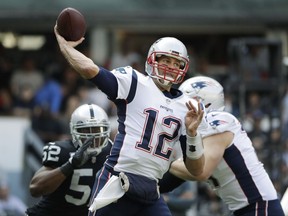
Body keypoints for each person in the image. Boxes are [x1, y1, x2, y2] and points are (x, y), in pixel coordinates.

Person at [54, 25, 208, 216]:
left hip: (151, 190)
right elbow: (90, 70)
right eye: (166, 60)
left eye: (177, 63)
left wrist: (192, 135)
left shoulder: (188, 106)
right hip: (118, 181)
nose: (171, 67)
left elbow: (197, 169)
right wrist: (67, 48)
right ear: (152, 60)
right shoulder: (135, 82)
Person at [162, 76, 285, 216]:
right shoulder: (195, 136)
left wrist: (168, 160)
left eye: (185, 103)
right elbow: (172, 179)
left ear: (203, 103)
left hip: (259, 207)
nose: (181, 108)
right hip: (245, 209)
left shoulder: (219, 122)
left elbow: (201, 171)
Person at [25, 103, 112, 216]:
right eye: (86, 131)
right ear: (74, 131)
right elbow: (35, 188)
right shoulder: (63, 150)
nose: (93, 138)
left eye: (98, 130)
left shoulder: (112, 153)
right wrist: (70, 165)